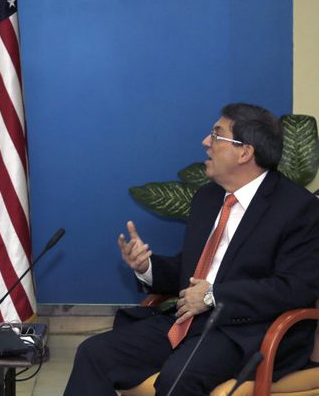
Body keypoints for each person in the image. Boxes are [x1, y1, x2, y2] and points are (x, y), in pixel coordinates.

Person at [64, 103, 319, 396]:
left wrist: (213, 296)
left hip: (248, 332)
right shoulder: (208, 198)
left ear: (244, 152)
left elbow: (294, 288)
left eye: (216, 135)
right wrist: (146, 268)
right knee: (94, 353)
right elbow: (193, 268)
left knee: (177, 379)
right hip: (189, 323)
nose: (205, 142)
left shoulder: (298, 208)